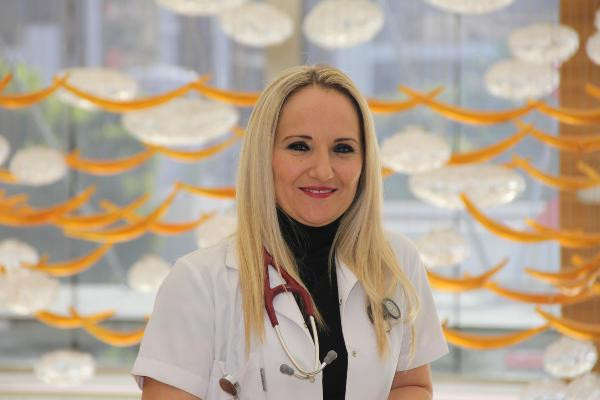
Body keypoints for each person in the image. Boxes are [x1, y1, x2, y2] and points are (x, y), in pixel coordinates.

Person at [132, 65, 448, 400]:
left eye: (343, 149)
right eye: (299, 146)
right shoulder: (198, 283)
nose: (323, 170)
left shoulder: (395, 262)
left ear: (365, 161)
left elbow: (410, 385)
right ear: (263, 156)